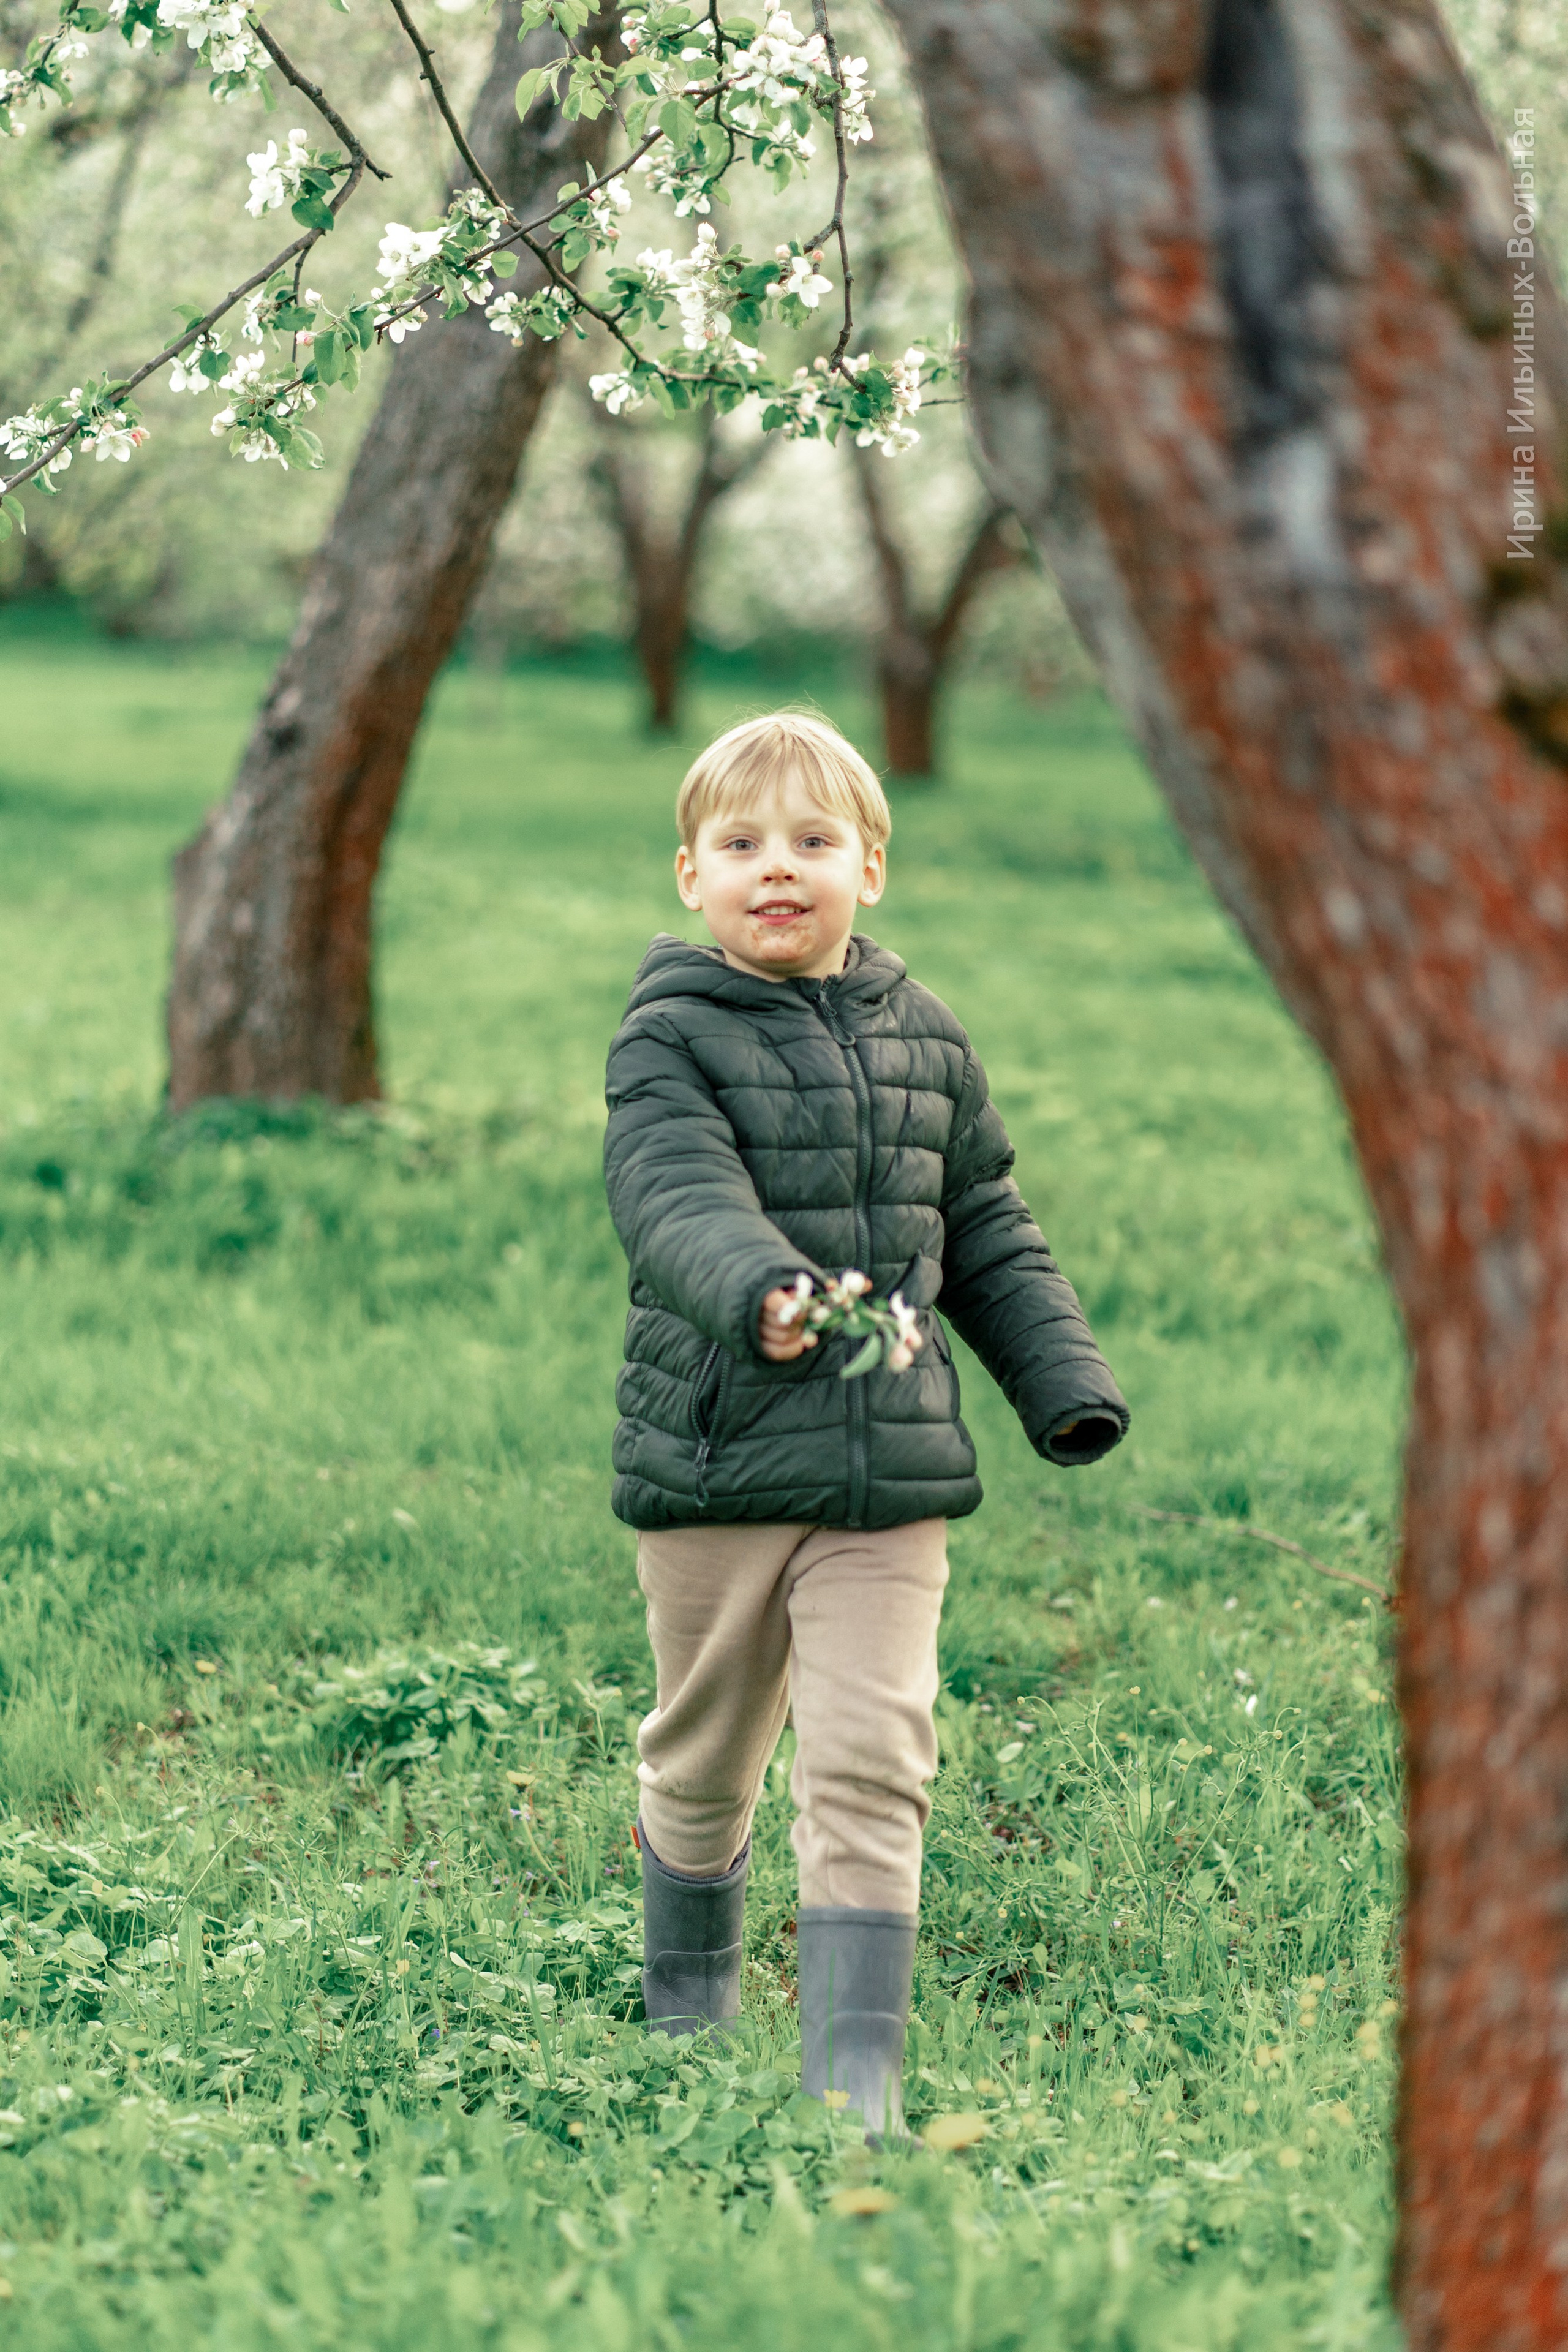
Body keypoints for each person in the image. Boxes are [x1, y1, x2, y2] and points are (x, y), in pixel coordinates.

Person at [603, 710, 1128, 2139]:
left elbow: (984, 1224)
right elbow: (671, 1197)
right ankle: (684, 2009)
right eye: (742, 845)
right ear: (690, 877)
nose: (779, 869)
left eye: (814, 842)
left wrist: (1058, 1379)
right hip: (716, 1465)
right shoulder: (668, 1037)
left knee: (871, 1754)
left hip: (887, 1469)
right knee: (705, 1759)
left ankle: (855, 2089)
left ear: (871, 868)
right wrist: (759, 1289)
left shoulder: (923, 1037)